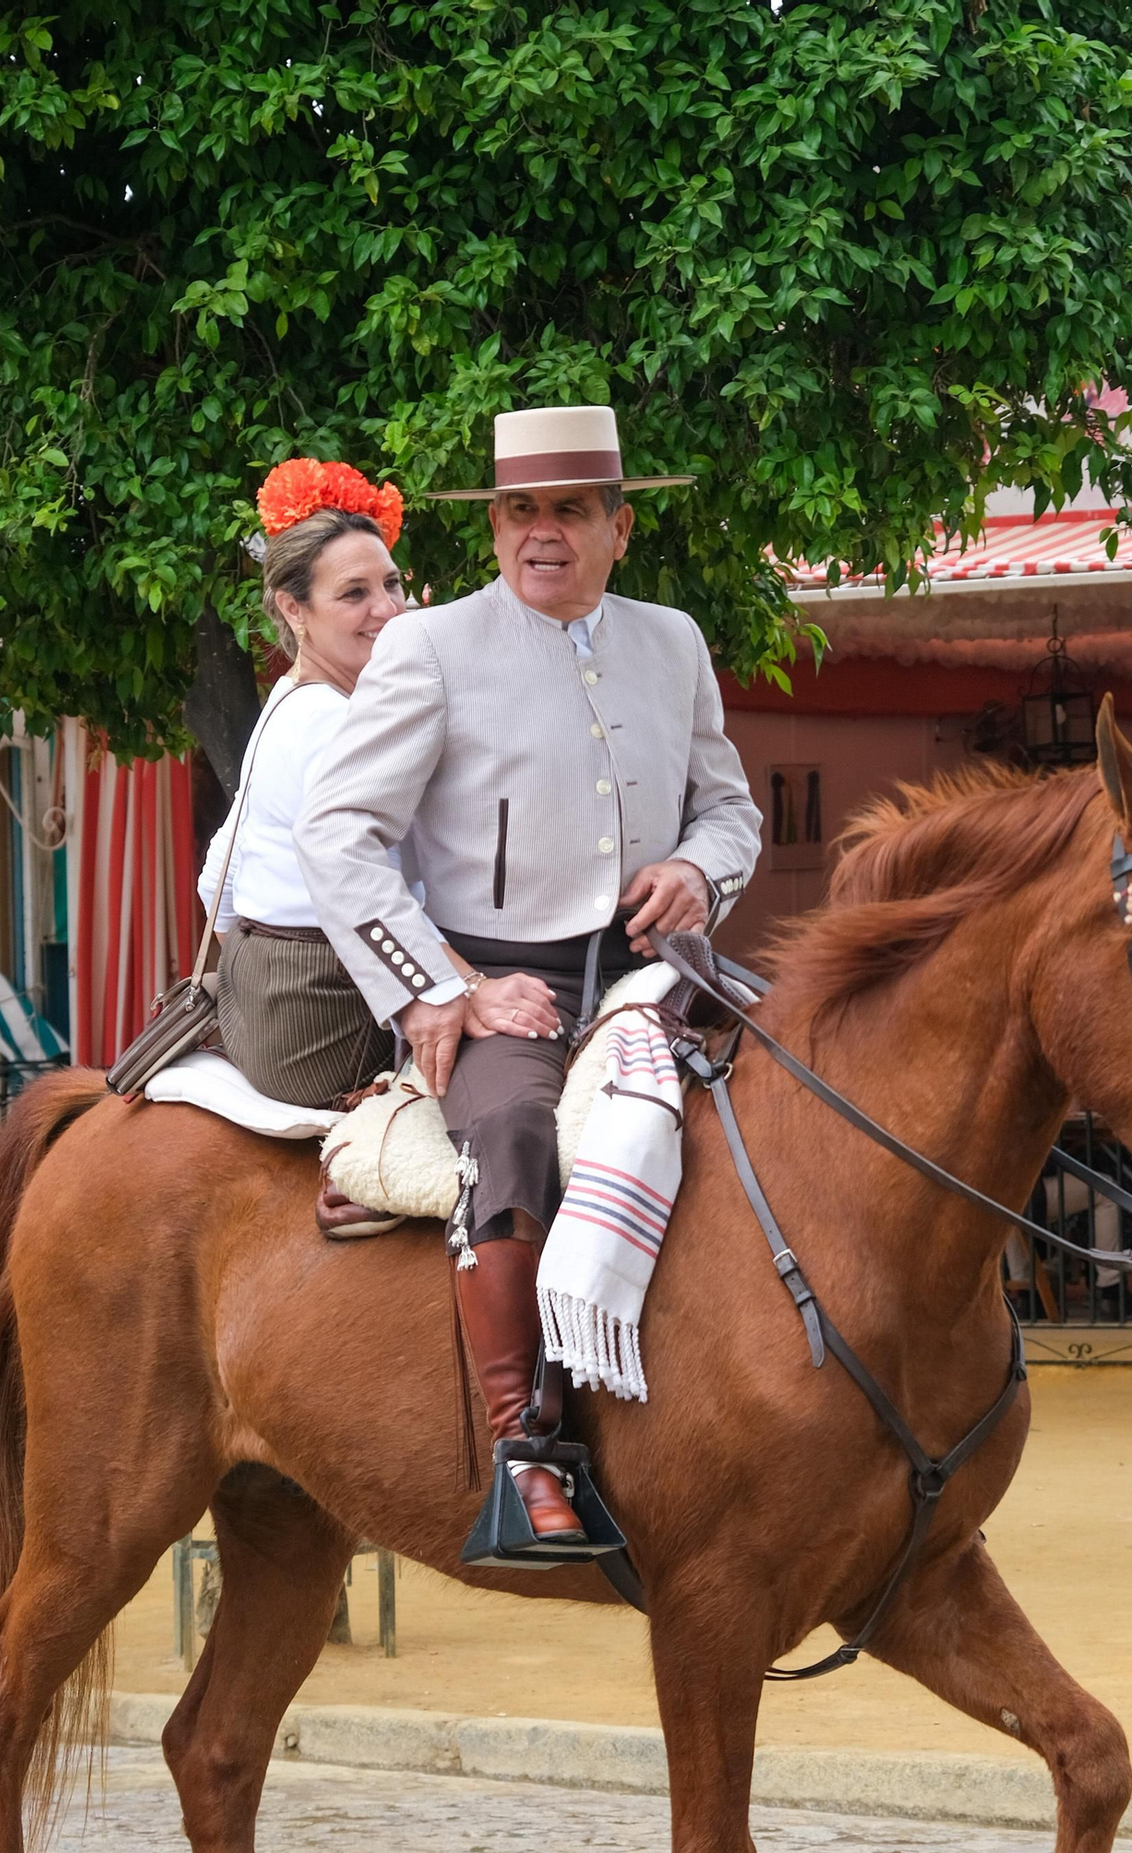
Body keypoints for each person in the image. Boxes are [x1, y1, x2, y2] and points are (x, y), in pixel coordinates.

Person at [295, 404, 763, 1543]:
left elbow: (731, 809)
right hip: (500, 978)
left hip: (659, 966)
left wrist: (700, 871)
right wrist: (440, 991)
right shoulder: (431, 645)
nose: (539, 532)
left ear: (620, 525)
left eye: (568, 509)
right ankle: (526, 1445)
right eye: (518, 511)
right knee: (510, 1133)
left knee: (804, 1096)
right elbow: (337, 833)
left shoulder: (675, 640)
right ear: (495, 525)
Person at [198, 460, 559, 1232]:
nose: (388, 610)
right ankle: (377, 1165)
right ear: (295, 610)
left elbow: (213, 881)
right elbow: (391, 895)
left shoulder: (288, 703)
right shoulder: (337, 722)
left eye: (392, 585)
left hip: (262, 993)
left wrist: (248, 963)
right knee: (515, 1073)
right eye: (354, 595)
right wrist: (468, 990)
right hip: (321, 1015)